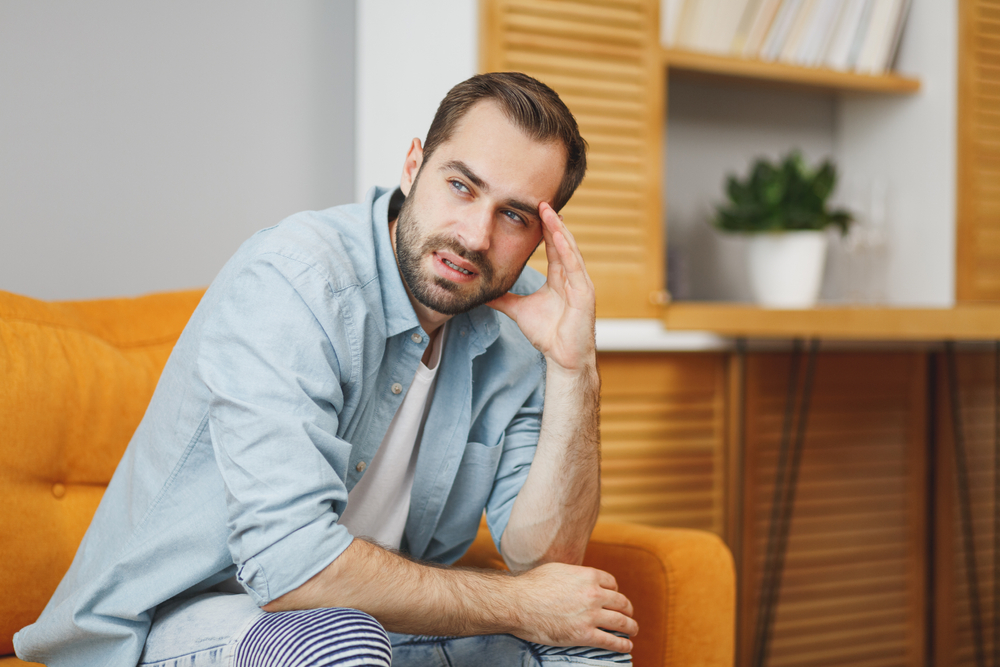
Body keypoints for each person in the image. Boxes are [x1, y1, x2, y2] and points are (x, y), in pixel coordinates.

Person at [14, 71, 638, 667]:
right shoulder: (297, 280)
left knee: (585, 639)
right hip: (171, 621)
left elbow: (547, 563)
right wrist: (519, 604)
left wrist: (573, 366)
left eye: (514, 215)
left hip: (362, 620)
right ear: (414, 166)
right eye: (460, 186)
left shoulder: (521, 323)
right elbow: (289, 566)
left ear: (541, 236)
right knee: (336, 639)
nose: (476, 235)